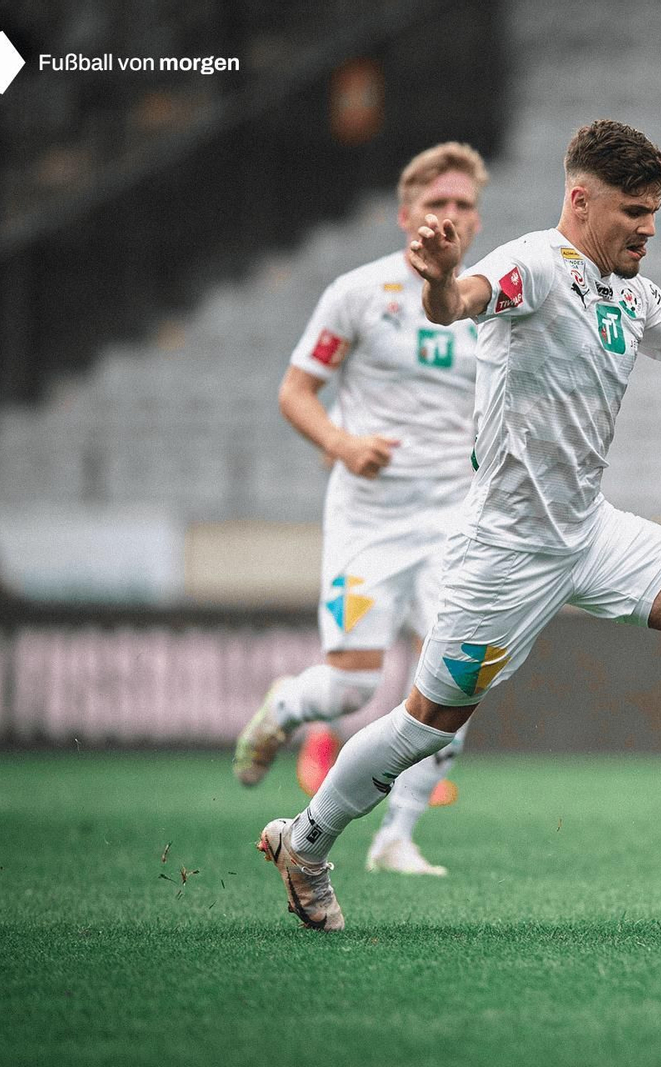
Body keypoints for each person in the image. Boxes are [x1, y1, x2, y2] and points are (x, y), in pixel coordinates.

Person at [255, 120, 661, 931]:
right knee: (424, 727)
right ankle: (308, 841)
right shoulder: (530, 265)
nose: (649, 226)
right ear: (580, 199)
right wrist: (438, 278)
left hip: (591, 531)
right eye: (635, 211)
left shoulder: (626, 290)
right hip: (507, 550)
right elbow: (457, 301)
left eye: (655, 211)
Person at [232, 142, 489, 877]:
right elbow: (294, 390)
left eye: (463, 205)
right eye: (437, 203)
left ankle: (397, 836)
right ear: (406, 214)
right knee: (349, 683)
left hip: (455, 520)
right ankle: (286, 705)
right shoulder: (358, 292)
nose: (450, 215)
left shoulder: (486, 298)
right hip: (371, 519)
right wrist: (343, 443)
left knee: (459, 675)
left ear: (476, 220)